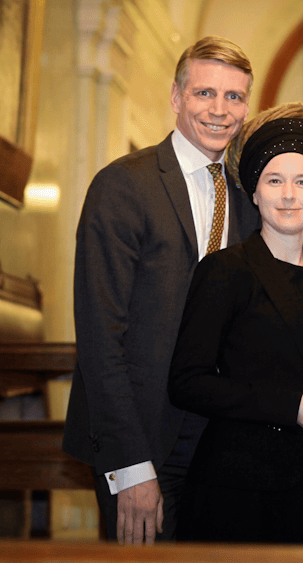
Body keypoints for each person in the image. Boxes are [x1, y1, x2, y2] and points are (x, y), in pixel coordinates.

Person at [63, 37, 261, 544]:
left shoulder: (248, 200)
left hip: (218, 445)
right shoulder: (123, 185)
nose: (219, 110)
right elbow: (100, 335)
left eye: (234, 97)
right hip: (143, 439)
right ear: (176, 97)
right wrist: (130, 465)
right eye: (204, 93)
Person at [168, 110, 303, 543]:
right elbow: (187, 383)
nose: (288, 195)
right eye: (274, 180)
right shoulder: (225, 270)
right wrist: (290, 407)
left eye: (302, 182)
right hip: (232, 494)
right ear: (254, 192)